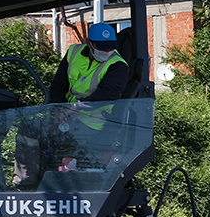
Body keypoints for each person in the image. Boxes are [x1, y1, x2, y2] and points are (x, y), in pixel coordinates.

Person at [14, 23, 129, 188]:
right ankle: (25, 184)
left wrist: (77, 108)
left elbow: (107, 95)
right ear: (89, 43)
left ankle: (63, 185)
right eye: (102, 48)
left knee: (64, 143)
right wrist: (58, 108)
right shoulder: (74, 52)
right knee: (29, 128)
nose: (106, 52)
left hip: (92, 124)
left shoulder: (117, 65)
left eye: (110, 48)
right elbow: (58, 85)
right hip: (65, 116)